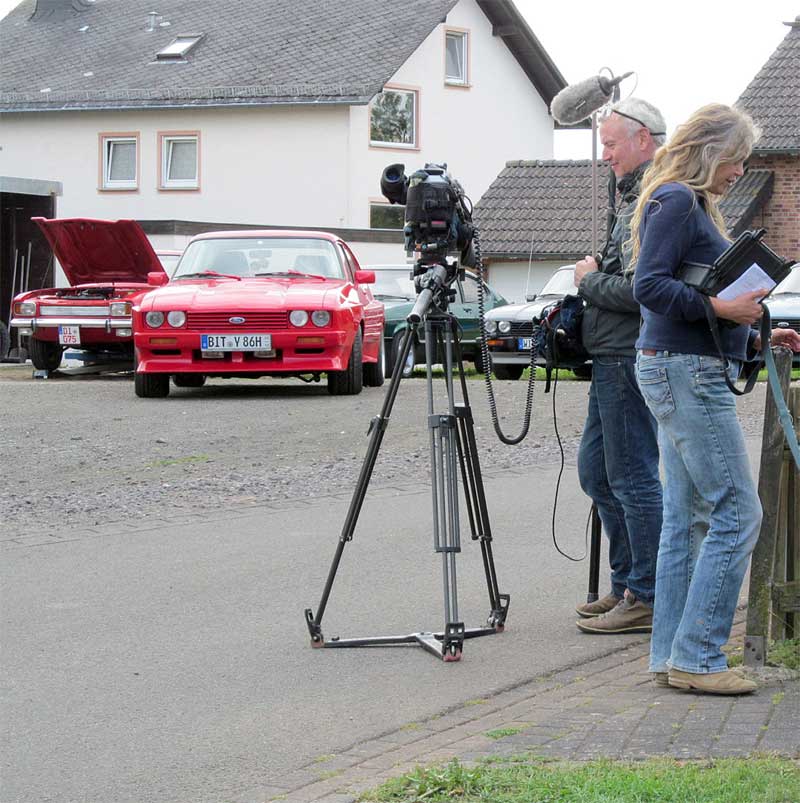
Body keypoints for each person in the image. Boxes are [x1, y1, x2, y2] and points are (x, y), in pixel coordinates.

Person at [630, 103, 800, 694]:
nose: (740, 171)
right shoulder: (678, 200)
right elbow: (648, 286)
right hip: (687, 372)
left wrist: (751, 330)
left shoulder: (683, 201)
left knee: (687, 516)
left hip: (680, 365)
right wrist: (721, 310)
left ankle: (670, 654)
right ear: (712, 150)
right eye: (738, 159)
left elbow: (688, 292)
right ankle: (698, 656)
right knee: (737, 511)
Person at [573, 98, 667, 634]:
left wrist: (587, 281)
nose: (604, 155)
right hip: (610, 354)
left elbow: (643, 291)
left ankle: (646, 593)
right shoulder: (634, 196)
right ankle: (628, 583)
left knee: (632, 476)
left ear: (643, 140)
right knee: (597, 473)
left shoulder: (653, 201)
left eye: (610, 144)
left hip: (628, 354)